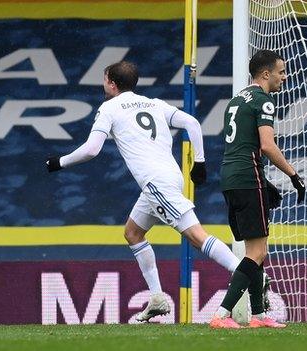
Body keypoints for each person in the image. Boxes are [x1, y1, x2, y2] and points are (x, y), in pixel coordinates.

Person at [45, 61, 254, 322]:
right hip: (167, 179)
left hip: (156, 184)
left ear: (111, 83)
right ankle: (156, 298)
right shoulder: (154, 103)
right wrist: (198, 161)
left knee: (196, 236)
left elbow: (91, 149)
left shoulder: (109, 108)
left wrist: (58, 162)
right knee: (133, 233)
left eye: (104, 79)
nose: (103, 84)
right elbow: (191, 123)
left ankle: (247, 274)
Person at [209, 50, 305, 329]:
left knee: (255, 248)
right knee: (258, 251)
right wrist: (293, 174)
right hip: (248, 178)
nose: (284, 78)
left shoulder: (237, 99)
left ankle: (259, 315)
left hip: (231, 177)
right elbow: (267, 145)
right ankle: (221, 314)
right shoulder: (263, 101)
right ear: (266, 74)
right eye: (281, 72)